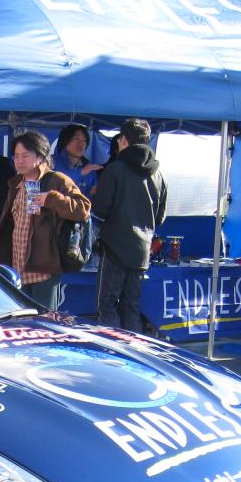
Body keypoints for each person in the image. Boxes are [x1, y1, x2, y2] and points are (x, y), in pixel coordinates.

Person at [0, 131, 91, 312]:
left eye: (25, 156)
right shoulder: (16, 184)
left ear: (41, 156)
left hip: (44, 270)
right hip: (18, 270)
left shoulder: (56, 180)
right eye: (16, 156)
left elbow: (83, 208)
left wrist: (51, 199)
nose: (19, 161)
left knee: (45, 323)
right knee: (22, 325)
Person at [89, 118, 168, 333]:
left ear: (123, 140)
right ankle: (134, 353)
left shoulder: (115, 169)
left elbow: (99, 211)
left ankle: (112, 351)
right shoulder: (159, 174)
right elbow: (160, 218)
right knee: (131, 306)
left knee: (107, 304)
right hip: (142, 251)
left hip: (114, 247)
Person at [56, 124, 103, 197]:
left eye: (84, 140)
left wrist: (95, 194)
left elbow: (90, 200)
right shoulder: (51, 162)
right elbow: (54, 185)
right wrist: (80, 173)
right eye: (76, 139)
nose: (81, 143)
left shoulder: (90, 169)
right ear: (64, 141)